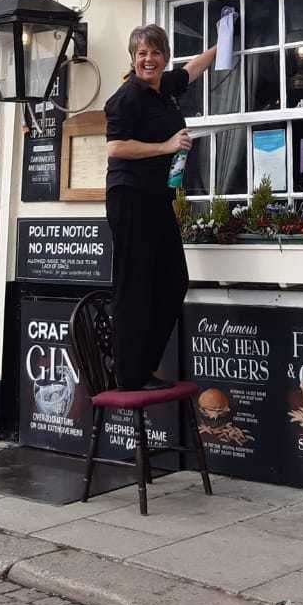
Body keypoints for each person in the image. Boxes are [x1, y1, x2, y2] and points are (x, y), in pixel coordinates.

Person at [103, 23, 217, 391]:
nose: (148, 60)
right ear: (133, 59)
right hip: (130, 197)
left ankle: (142, 367)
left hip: (156, 198)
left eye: (154, 53)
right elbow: (116, 148)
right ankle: (128, 375)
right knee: (134, 285)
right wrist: (166, 147)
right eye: (141, 54)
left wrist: (223, 44)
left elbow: (191, 71)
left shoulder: (162, 88)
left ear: (164, 57)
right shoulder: (127, 97)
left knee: (172, 281)